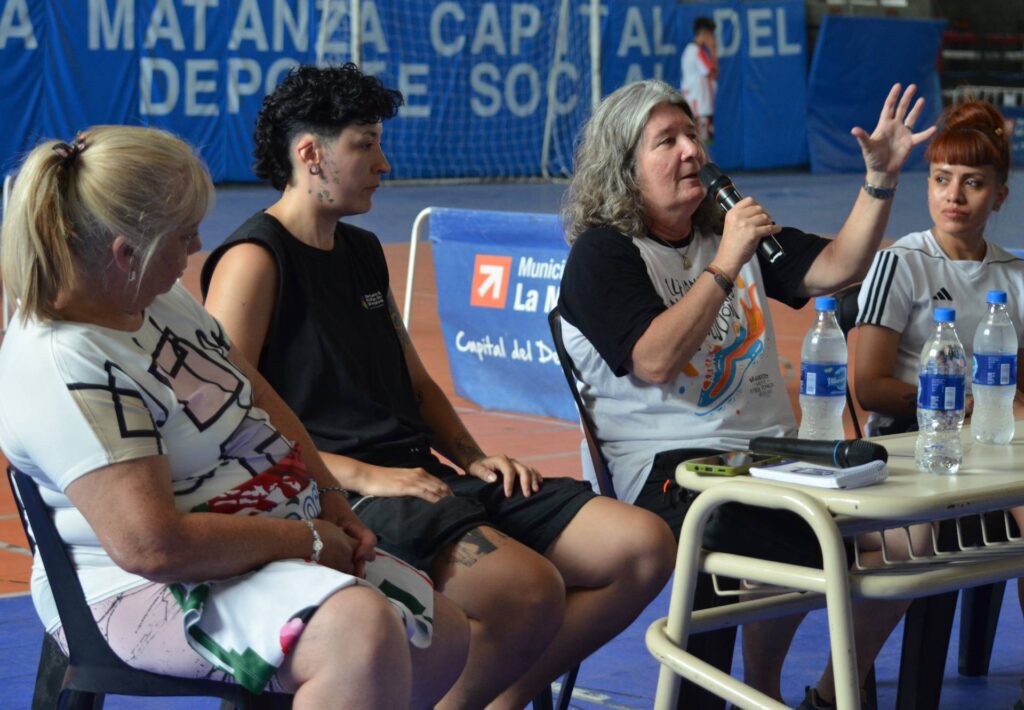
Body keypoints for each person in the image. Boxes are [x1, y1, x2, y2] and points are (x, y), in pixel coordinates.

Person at [201, 63, 676, 710]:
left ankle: (499, 697)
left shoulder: (363, 251)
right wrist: (363, 478)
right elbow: (232, 423)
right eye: (365, 145)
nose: (384, 163)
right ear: (310, 154)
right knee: (530, 590)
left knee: (642, 547)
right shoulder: (253, 260)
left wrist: (474, 456)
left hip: (423, 473)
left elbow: (416, 382)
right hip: (340, 493)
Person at [0, 126, 470, 710]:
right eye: (183, 234)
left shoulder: (152, 296)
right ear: (125, 254)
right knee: (358, 632)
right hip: (145, 585)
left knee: (443, 637)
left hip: (257, 542)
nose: (198, 246)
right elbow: (153, 546)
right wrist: (310, 542)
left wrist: (329, 500)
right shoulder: (64, 362)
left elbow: (260, 399)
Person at [557, 79, 935, 708]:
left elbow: (840, 266)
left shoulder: (728, 234)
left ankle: (803, 692)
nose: (691, 153)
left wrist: (880, 180)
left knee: (910, 536)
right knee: (793, 532)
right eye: (666, 142)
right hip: (673, 472)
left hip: (771, 457)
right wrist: (727, 262)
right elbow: (653, 359)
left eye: (692, 135)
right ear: (625, 168)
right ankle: (739, 688)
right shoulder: (605, 253)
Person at [854, 99, 1024, 710]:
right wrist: (971, 409)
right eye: (941, 179)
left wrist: (998, 414)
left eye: (974, 183)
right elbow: (868, 385)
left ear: (1000, 196)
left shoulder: (1016, 276)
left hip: (991, 446)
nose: (955, 195)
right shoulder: (899, 262)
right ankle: (838, 689)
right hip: (908, 442)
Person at [680, 16, 717, 144]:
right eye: (712, 35)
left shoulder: (688, 51)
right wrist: (713, 49)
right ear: (705, 34)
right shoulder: (697, 52)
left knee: (699, 144)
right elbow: (714, 73)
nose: (713, 39)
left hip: (695, 106)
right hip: (701, 107)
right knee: (702, 144)